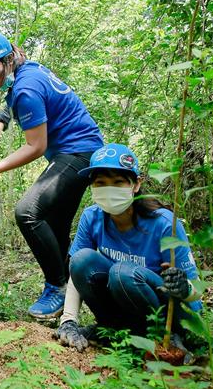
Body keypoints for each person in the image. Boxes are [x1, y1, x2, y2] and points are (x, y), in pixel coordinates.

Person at [0, 31, 105, 319]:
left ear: (6, 59)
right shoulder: (27, 73)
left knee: (28, 212)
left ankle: (57, 287)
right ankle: (71, 297)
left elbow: (36, 146)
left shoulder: (25, 90)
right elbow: (31, 94)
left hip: (77, 153)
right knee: (54, 224)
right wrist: (8, 107)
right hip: (84, 150)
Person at [55, 143, 202, 351]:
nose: (109, 189)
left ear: (136, 184)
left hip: (171, 313)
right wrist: (68, 321)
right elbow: (77, 271)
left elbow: (196, 292)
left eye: (118, 182)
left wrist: (183, 286)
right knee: (81, 260)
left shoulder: (163, 223)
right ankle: (117, 330)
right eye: (101, 183)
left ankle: (165, 339)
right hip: (126, 302)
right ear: (92, 187)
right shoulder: (92, 217)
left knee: (122, 272)